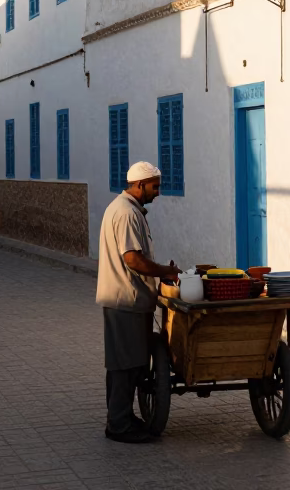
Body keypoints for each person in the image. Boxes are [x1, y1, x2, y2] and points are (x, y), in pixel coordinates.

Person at [95, 161, 181, 443]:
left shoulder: (123, 209)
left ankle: (122, 417)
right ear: (140, 185)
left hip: (127, 299)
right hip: (125, 300)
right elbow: (132, 258)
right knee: (125, 365)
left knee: (127, 363)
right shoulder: (126, 213)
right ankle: (118, 425)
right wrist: (164, 271)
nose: (158, 192)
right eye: (155, 187)